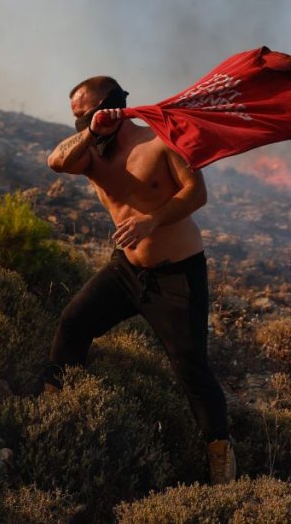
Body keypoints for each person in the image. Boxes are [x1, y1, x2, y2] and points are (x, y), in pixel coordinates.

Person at [41, 75, 235, 484]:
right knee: (74, 324)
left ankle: (221, 454)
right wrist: (92, 133)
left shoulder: (161, 140)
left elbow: (196, 194)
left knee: (190, 368)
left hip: (177, 274)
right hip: (126, 270)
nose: (81, 122)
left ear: (111, 106)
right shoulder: (91, 152)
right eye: (76, 118)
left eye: (87, 113)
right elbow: (56, 161)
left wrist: (151, 221)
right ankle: (54, 407)